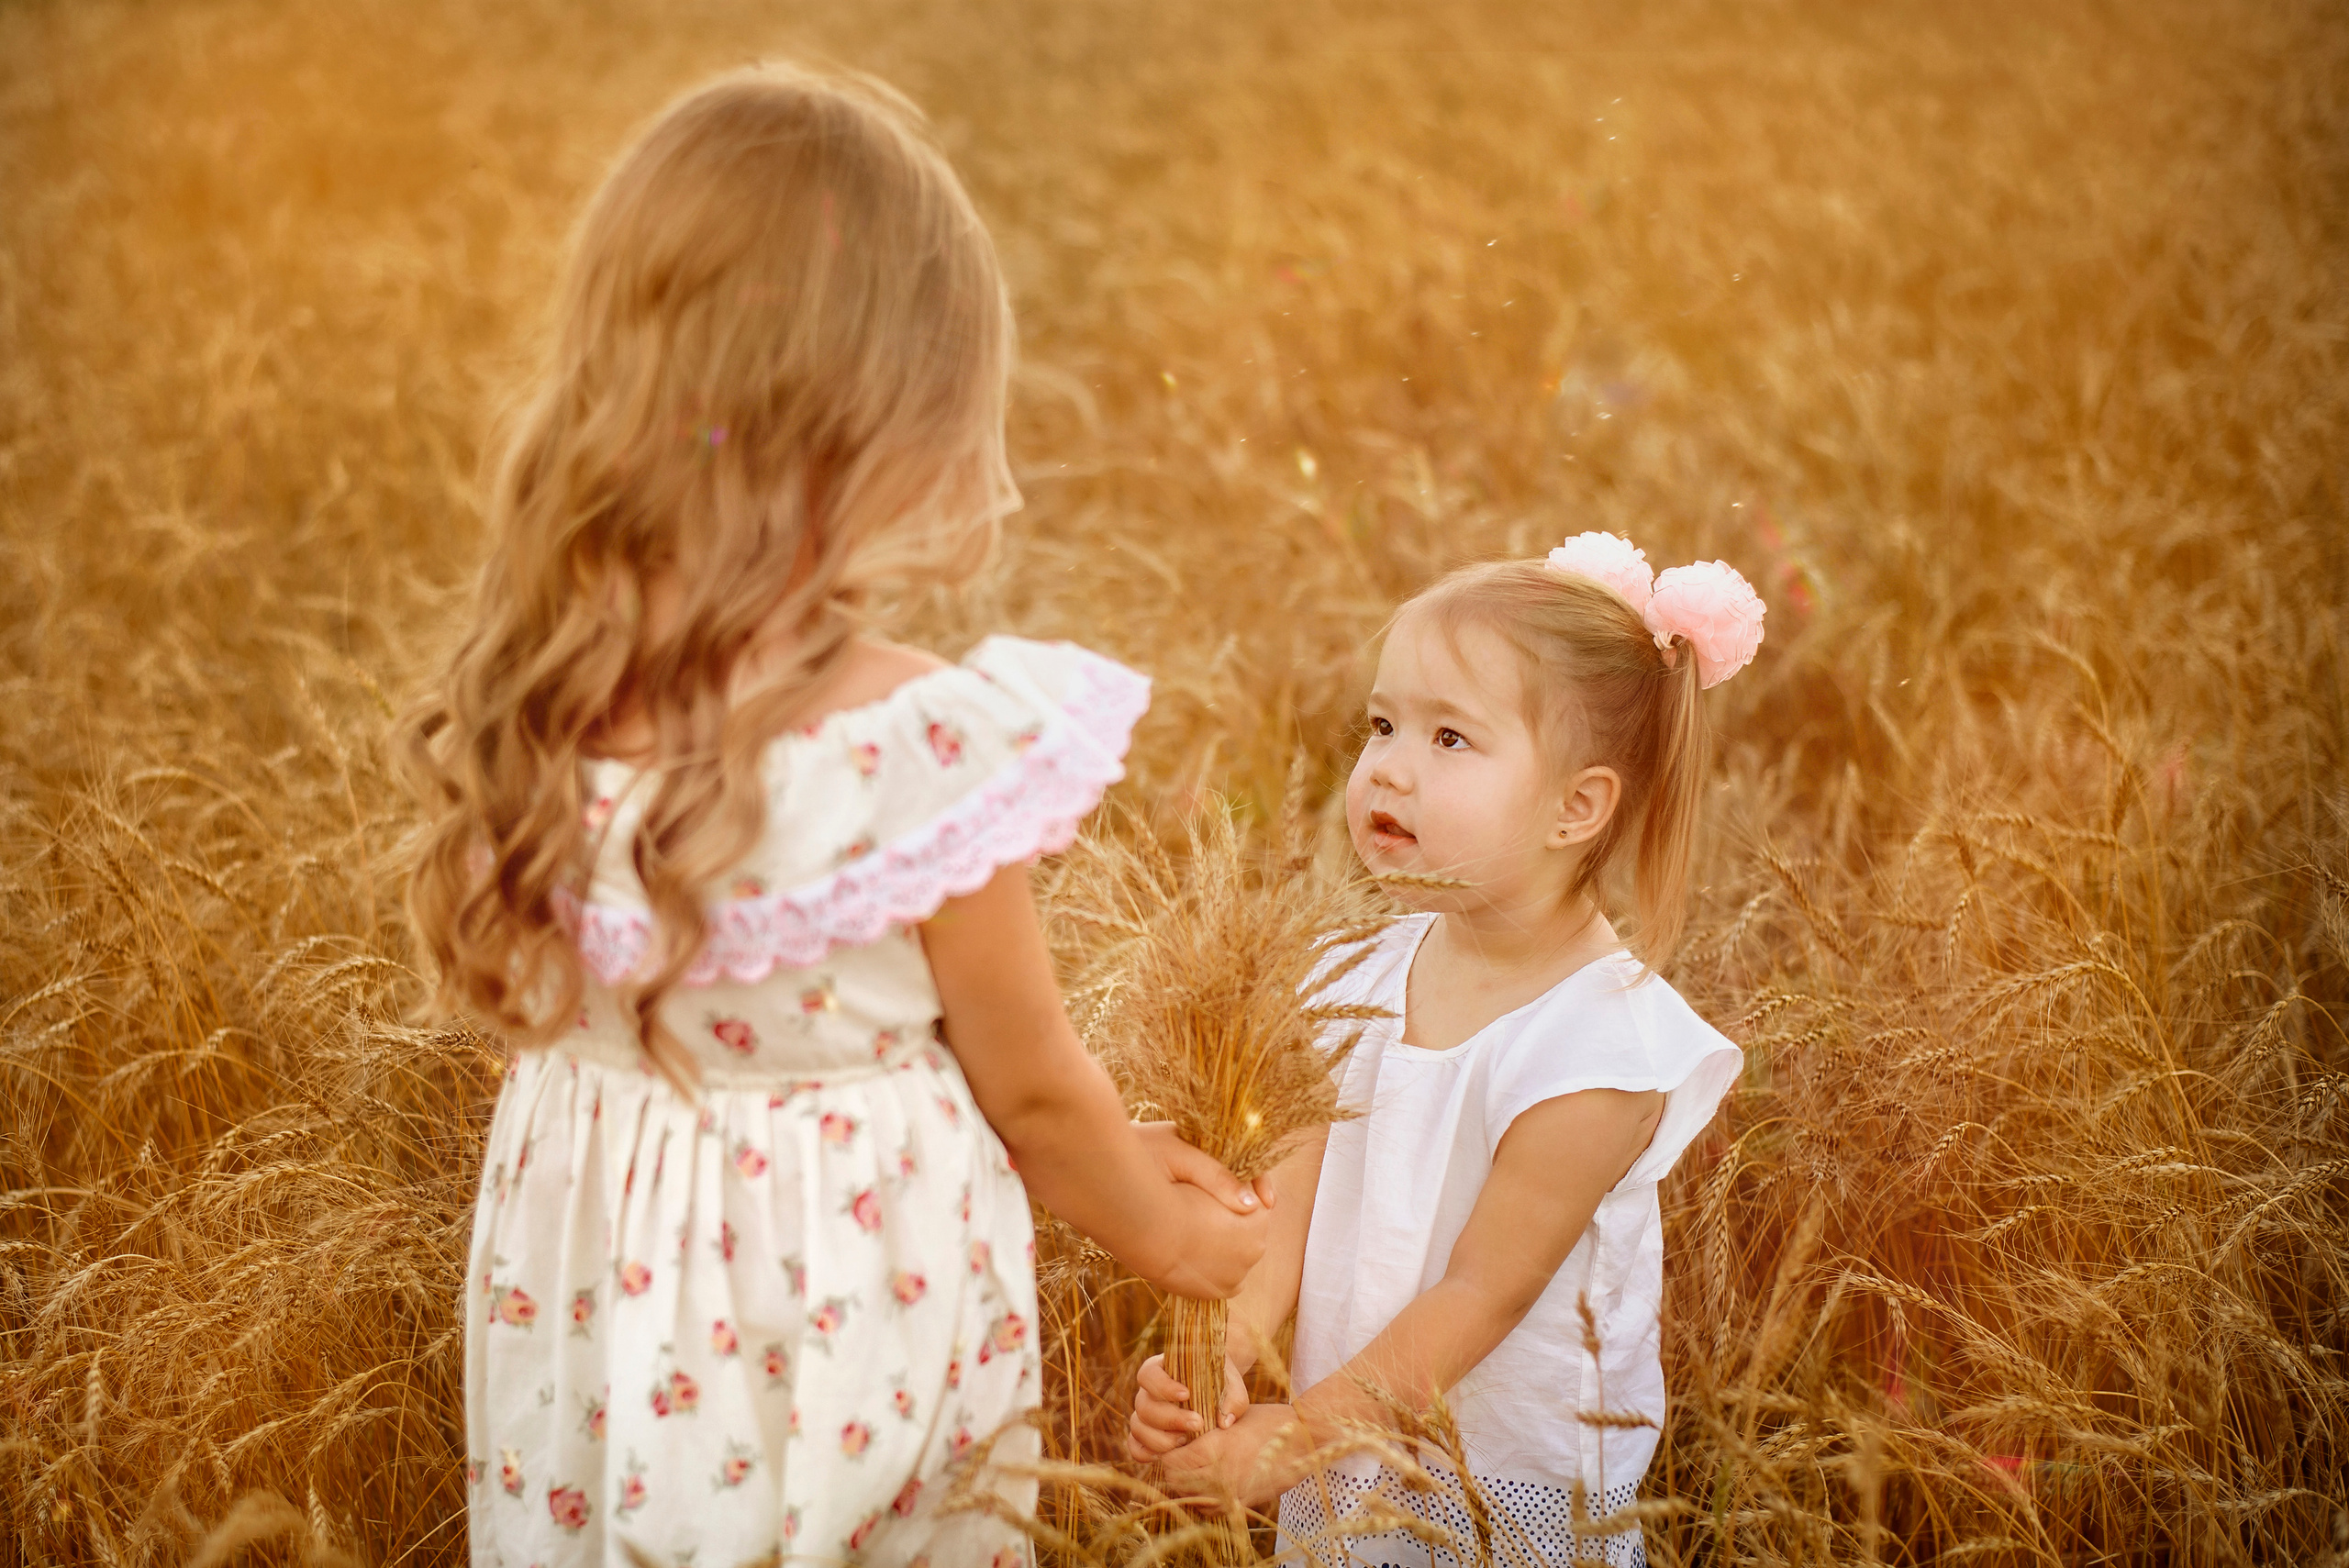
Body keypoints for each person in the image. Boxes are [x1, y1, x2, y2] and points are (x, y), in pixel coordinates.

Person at [401, 66, 1272, 1567]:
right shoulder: (902, 743)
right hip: (842, 1320)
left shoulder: (540, 702)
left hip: (603, 1328)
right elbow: (1035, 1096)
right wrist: (1184, 1234)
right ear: (872, 415)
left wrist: (1118, 1149)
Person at [1126, 533, 1763, 1566]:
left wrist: (1296, 1435)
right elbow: (1287, 1203)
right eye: (1382, 724)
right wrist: (1224, 1353)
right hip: (1350, 1446)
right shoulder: (1351, 977)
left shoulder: (1596, 1048)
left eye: (1451, 738)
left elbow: (1481, 1293)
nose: (1388, 767)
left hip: (1499, 1487)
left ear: (1576, 807)